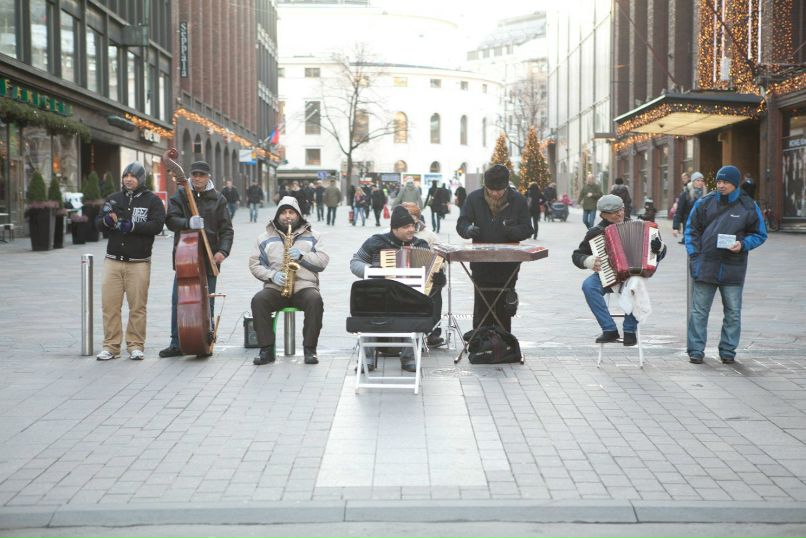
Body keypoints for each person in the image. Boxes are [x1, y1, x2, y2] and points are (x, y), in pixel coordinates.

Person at [685, 165, 767, 364]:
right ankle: (696, 351)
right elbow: (691, 230)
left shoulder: (748, 205)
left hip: (733, 266)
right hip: (705, 265)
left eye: (726, 182)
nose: (721, 185)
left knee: (733, 312)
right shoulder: (704, 203)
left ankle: (728, 351)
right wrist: (695, 255)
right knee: (699, 311)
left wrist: (743, 244)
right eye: (719, 182)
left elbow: (760, 234)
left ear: (735, 183)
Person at [351, 205, 446, 371]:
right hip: (380, 295)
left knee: (416, 307)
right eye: (406, 227)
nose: (411, 230)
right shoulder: (377, 242)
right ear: (394, 228)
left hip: (408, 296)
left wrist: (439, 279)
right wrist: (371, 271)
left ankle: (409, 357)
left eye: (412, 226)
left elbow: (432, 276)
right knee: (370, 308)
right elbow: (355, 262)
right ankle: (367, 358)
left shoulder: (421, 244)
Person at [159, 160, 234, 358]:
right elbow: (171, 219)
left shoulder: (218, 199)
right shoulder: (182, 195)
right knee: (179, 301)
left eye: (202, 174)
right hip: (187, 258)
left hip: (209, 258)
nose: (198, 178)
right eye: (195, 174)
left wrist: (223, 252)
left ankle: (204, 339)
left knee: (206, 303)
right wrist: (187, 222)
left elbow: (227, 230)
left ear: (209, 177)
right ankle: (176, 343)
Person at [572, 194, 667, 346]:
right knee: (588, 286)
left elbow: (659, 254)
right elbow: (577, 255)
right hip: (607, 275)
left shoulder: (641, 227)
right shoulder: (595, 232)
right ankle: (609, 329)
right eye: (614, 212)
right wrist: (587, 261)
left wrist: (660, 248)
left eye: (621, 210)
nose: (620, 214)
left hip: (633, 276)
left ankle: (629, 330)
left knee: (635, 283)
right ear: (602, 214)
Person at [95, 162, 166, 361]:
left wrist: (133, 226)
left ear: (141, 178)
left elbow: (157, 225)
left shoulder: (152, 201)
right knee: (110, 306)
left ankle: (135, 345)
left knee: (137, 307)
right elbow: (99, 223)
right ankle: (111, 346)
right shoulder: (113, 199)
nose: (128, 179)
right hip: (113, 261)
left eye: (133, 176)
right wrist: (106, 222)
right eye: (126, 175)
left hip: (139, 262)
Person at [249, 196, 329, 365]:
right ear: (277, 216)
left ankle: (310, 350)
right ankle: (266, 350)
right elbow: (254, 264)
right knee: (258, 301)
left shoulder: (314, 236)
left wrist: (302, 256)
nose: (287, 216)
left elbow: (322, 261)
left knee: (315, 301)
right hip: (276, 286)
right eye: (283, 213)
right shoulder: (264, 238)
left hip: (304, 286)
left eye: (291, 212)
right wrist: (272, 275)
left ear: (298, 215)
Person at [456, 164, 533, 333]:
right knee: (482, 300)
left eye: (500, 190)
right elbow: (462, 222)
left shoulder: (517, 200)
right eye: (491, 189)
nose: (495, 194)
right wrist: (468, 229)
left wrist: (511, 231)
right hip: (481, 261)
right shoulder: (474, 198)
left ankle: (503, 340)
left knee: (504, 301)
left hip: (508, 262)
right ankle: (480, 338)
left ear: (506, 186)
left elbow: (528, 228)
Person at [672, 171, 706, 243]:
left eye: (702, 180)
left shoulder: (705, 195)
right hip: (689, 226)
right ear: (693, 182)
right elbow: (679, 211)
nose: (700, 182)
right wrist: (675, 227)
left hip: (702, 227)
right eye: (698, 180)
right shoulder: (685, 194)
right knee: (691, 249)